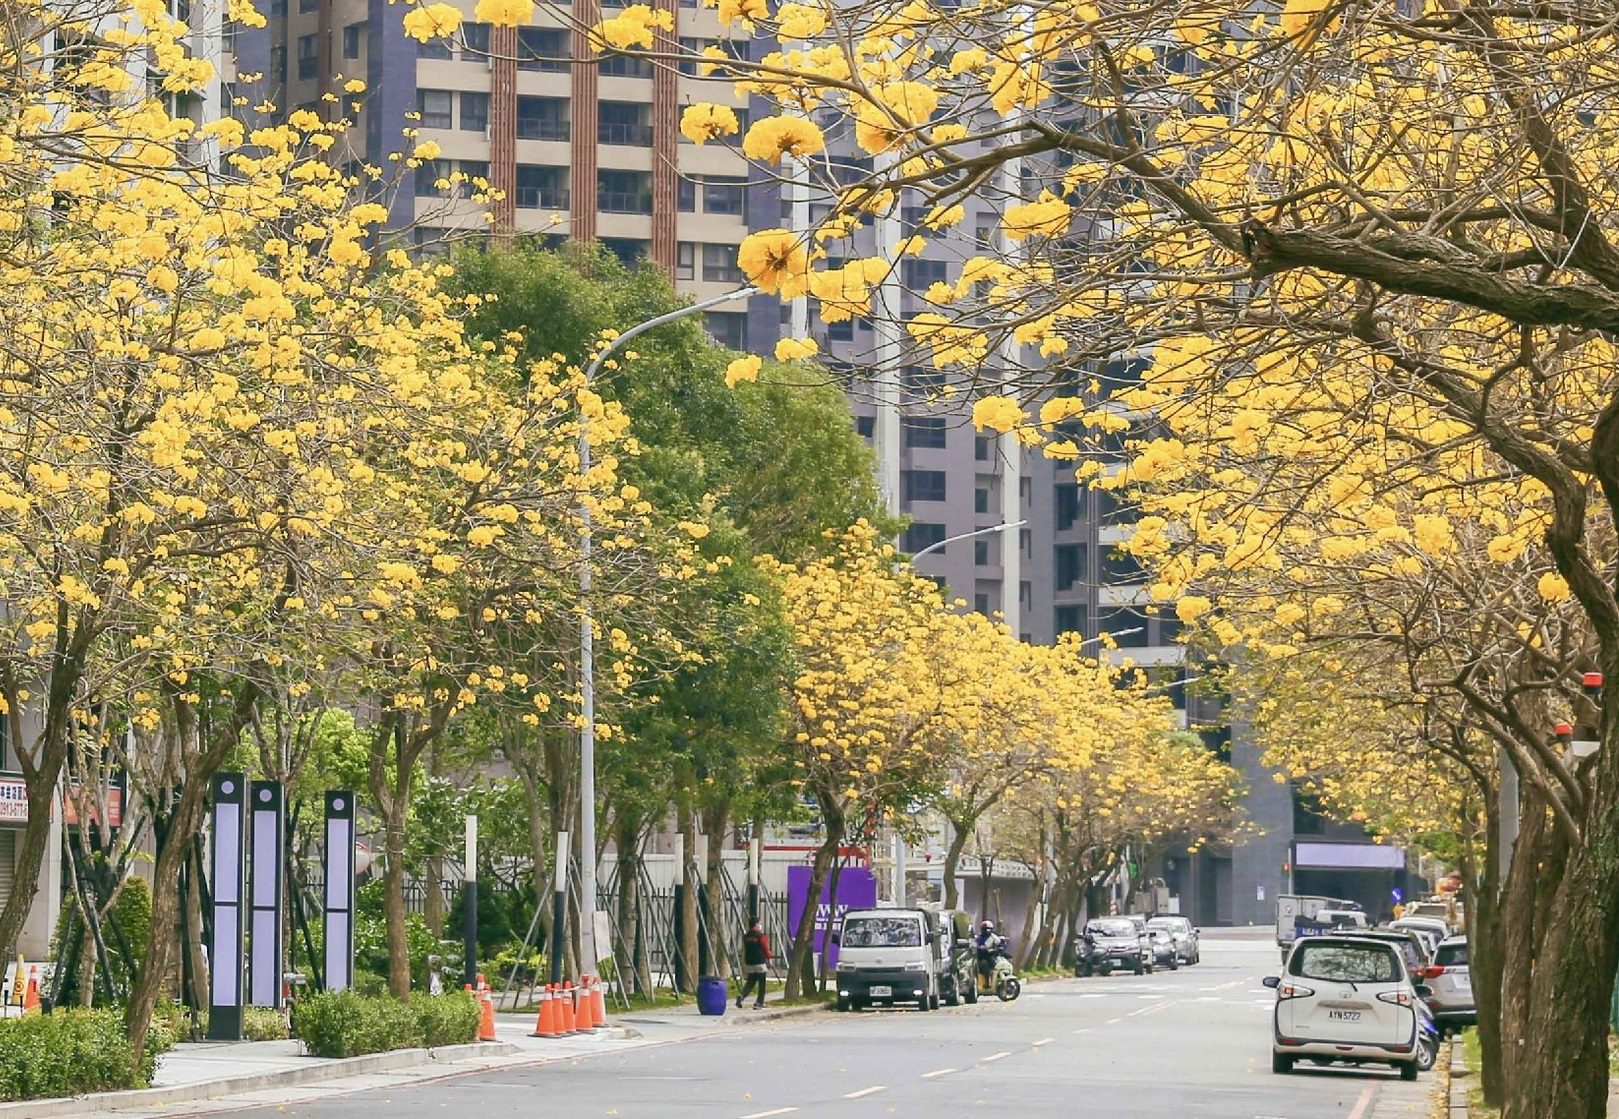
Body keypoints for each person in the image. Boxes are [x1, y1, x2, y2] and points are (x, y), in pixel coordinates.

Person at [736, 919, 772, 1009]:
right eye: (759, 923)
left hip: (749, 961)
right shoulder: (760, 936)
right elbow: (765, 948)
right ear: (756, 924)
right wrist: (769, 959)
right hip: (760, 961)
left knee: (750, 982)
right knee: (762, 983)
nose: (760, 925)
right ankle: (759, 1003)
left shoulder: (746, 936)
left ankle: (742, 996)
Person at [974, 920, 1003, 993]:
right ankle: (987, 984)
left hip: (992, 956)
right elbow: (975, 946)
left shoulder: (993, 937)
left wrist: (1000, 947)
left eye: (989, 929)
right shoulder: (979, 938)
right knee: (984, 966)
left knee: (999, 963)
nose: (987, 931)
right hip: (982, 957)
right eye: (986, 929)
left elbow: (1000, 943)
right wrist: (980, 948)